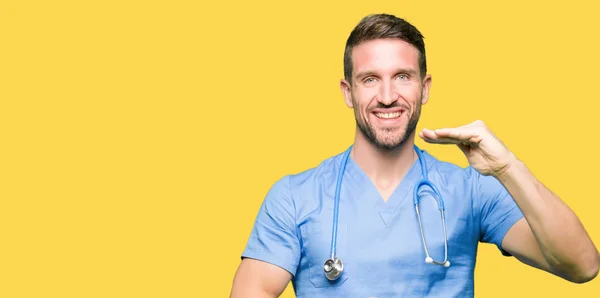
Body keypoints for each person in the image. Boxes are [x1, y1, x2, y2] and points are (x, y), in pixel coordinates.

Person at [229, 13, 600, 297]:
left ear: (424, 89)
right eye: (370, 79)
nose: (388, 95)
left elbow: (582, 266)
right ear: (347, 92)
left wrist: (508, 168)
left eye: (403, 77)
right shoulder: (294, 197)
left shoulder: (471, 190)